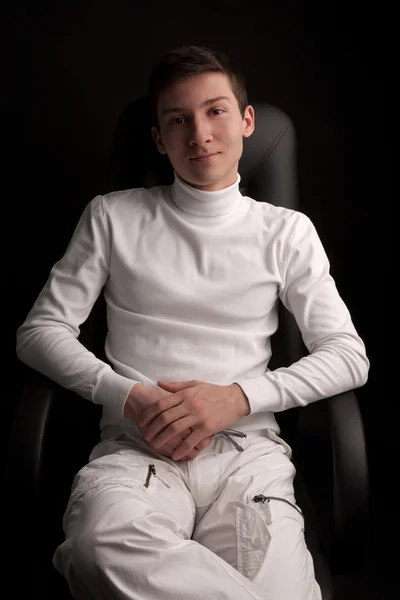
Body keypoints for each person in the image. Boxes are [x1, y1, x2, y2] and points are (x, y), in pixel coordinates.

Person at [16, 45, 369, 600]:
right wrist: (130, 396)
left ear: (247, 121)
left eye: (216, 111)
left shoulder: (287, 232)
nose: (198, 133)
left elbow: (349, 356)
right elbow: (39, 333)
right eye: (177, 120)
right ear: (159, 138)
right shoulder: (112, 216)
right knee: (95, 551)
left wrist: (237, 398)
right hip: (136, 455)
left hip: (244, 456)